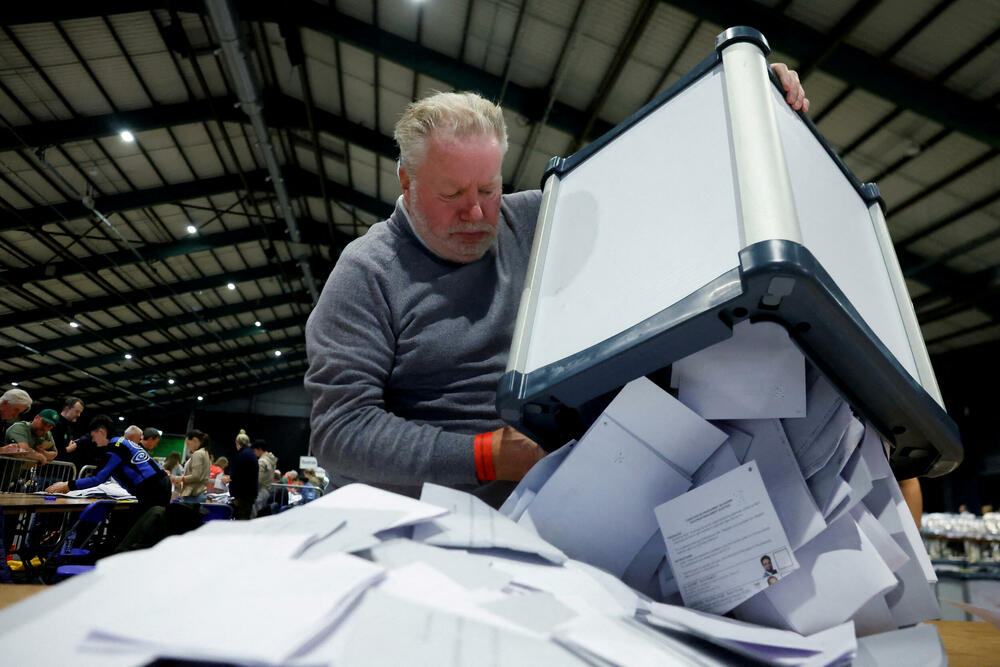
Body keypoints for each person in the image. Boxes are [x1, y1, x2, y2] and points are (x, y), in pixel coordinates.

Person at [304, 68, 810, 507]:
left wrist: (751, 98)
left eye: (488, 188)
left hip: (559, 500)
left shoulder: (537, 221)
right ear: (406, 183)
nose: (478, 213)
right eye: (452, 194)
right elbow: (340, 431)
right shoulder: (368, 273)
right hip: (429, 525)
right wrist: (483, 456)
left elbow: (662, 187)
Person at [45, 414, 171, 517]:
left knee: (141, 526)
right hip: (158, 484)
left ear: (101, 432)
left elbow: (99, 478)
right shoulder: (120, 443)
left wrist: (67, 485)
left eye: (93, 436)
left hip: (153, 488)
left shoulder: (116, 446)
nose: (93, 441)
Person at [226, 429, 258, 520]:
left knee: (241, 519)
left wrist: (229, 478)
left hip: (243, 494)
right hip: (249, 493)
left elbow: (237, 474)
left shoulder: (242, 455)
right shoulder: (250, 454)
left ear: (237, 443)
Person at [172, 430, 210, 504]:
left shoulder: (198, 453)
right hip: (198, 494)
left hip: (193, 495)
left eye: (188, 444)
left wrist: (177, 478)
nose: (188, 447)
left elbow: (196, 476)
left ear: (195, 440)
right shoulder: (205, 452)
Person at [50, 396, 86, 468]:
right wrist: (68, 449)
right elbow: (50, 449)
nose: (79, 415)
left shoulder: (69, 426)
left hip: (62, 471)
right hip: (49, 472)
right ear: (67, 408)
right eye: (77, 411)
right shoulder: (55, 424)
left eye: (80, 412)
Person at [253, 439, 277, 514]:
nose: (254, 453)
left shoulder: (262, 462)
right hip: (267, 490)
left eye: (255, 451)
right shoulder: (271, 459)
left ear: (259, 449)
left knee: (254, 514)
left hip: (260, 491)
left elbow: (258, 480)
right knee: (261, 513)